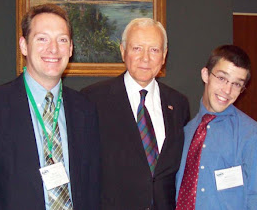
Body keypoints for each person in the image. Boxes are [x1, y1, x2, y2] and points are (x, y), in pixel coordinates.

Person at [0, 4, 100, 210]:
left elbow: (91, 188)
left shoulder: (85, 109)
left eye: (62, 40)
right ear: (24, 45)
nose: (53, 48)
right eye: (42, 38)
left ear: (70, 49)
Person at [81, 18, 190, 210]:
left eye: (154, 50)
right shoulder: (92, 100)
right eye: (137, 48)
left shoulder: (178, 104)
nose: (145, 58)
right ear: (123, 51)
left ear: (164, 56)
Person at [175, 45, 257, 209]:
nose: (227, 90)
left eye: (236, 84)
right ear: (205, 75)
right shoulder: (185, 131)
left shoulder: (253, 135)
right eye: (221, 78)